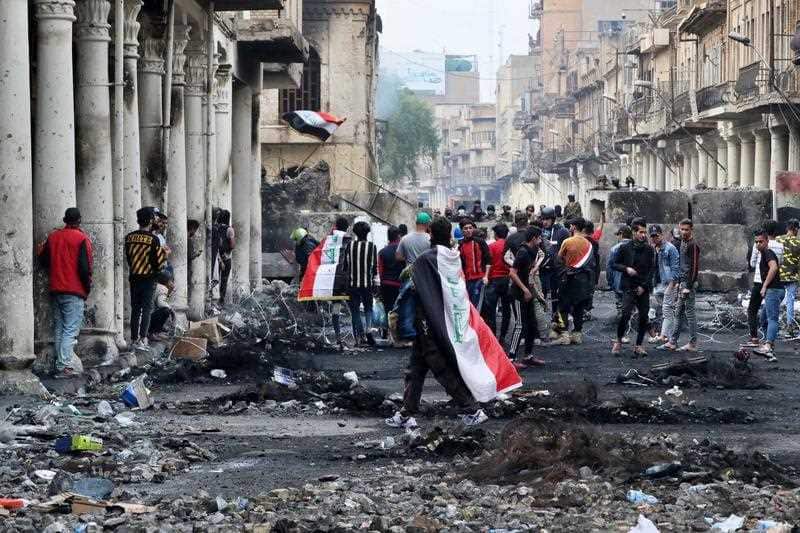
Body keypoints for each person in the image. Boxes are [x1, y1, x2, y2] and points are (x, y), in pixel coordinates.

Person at [385, 217, 483, 429]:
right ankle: (406, 412)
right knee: (415, 369)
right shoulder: (452, 256)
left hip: (427, 320)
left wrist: (398, 316)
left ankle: (471, 408)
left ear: (431, 233)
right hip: (439, 318)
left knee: (439, 367)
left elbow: (410, 285)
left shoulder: (425, 260)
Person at [37, 207, 93, 377]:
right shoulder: (82, 238)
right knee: (70, 330)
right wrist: (87, 287)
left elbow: (44, 260)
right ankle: (63, 366)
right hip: (74, 289)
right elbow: (85, 268)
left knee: (60, 328)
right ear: (79, 220)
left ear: (64, 220)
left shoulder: (53, 237)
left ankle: (60, 365)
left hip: (56, 288)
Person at [611, 220, 655, 357]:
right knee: (625, 314)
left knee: (643, 316)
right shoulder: (624, 248)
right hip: (629, 286)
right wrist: (626, 269)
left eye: (644, 232)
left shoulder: (649, 249)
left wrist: (644, 286)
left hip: (643, 287)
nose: (643, 235)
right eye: (640, 232)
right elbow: (614, 264)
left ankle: (639, 345)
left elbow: (651, 270)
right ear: (634, 232)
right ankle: (618, 341)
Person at [125, 207, 167, 349]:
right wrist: (164, 255)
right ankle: (143, 338)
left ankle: (133, 340)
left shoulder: (129, 237)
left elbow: (129, 259)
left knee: (135, 309)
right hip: (149, 279)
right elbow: (158, 263)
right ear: (149, 221)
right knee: (147, 309)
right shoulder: (153, 239)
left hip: (134, 277)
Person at [552, 218, 595, 345]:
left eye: (571, 225)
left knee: (563, 307)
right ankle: (577, 334)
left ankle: (564, 334)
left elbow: (559, 259)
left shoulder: (567, 241)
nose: (570, 227)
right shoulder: (589, 244)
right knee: (579, 308)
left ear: (574, 227)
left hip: (568, 279)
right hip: (583, 281)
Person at [660, 219, 701, 352]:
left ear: (691, 229)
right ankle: (673, 341)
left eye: (686, 229)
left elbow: (694, 267)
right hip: (682, 283)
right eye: (681, 229)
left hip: (688, 284)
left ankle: (692, 343)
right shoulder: (683, 242)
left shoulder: (693, 245)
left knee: (690, 313)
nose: (683, 232)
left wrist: (688, 286)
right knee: (678, 312)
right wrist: (679, 282)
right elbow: (682, 265)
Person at [508, 226, 546, 367]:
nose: (541, 240)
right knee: (519, 325)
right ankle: (511, 359)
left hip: (527, 293)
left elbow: (529, 272)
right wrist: (525, 290)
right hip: (518, 294)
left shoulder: (532, 251)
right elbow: (512, 273)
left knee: (532, 324)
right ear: (533, 238)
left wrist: (534, 292)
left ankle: (528, 356)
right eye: (539, 238)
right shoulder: (523, 252)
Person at [752, 229, 784, 360]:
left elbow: (774, 267)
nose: (758, 244)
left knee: (772, 318)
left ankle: (768, 346)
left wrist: (764, 286)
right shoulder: (764, 253)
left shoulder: (767, 252)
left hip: (774, 290)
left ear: (766, 241)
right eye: (756, 242)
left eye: (761, 241)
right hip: (774, 290)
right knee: (763, 318)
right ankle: (769, 347)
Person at [347, 221, 378, 346]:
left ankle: (360, 335)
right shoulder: (372, 246)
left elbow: (345, 266)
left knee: (354, 310)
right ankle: (368, 330)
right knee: (368, 307)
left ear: (355, 233)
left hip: (352, 284)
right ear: (367, 233)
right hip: (367, 283)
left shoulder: (350, 245)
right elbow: (374, 268)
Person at [649, 225, 680, 346]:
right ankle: (667, 337)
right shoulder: (653, 249)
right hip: (657, 284)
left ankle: (665, 337)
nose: (654, 238)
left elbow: (675, 268)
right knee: (662, 311)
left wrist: (672, 285)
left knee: (667, 311)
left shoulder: (670, 248)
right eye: (652, 236)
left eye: (656, 236)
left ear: (661, 235)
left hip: (668, 284)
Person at [539, 207, 570, 317]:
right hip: (542, 268)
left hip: (557, 269)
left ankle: (556, 317)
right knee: (541, 293)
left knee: (556, 294)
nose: (545, 222)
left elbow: (567, 250)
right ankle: (541, 318)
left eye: (547, 219)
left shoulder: (562, 231)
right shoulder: (540, 231)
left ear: (553, 219)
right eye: (543, 219)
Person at [484, 223, 512, 341]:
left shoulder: (491, 246)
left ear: (495, 234)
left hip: (494, 280)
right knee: (506, 309)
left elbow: (488, 264)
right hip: (507, 279)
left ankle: (493, 337)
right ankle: (503, 336)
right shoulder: (510, 246)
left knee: (491, 311)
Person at [458, 219, 491, 308]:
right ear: (461, 230)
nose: (468, 230)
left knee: (478, 305)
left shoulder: (480, 242)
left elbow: (488, 259)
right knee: (470, 304)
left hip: (480, 278)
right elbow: (460, 264)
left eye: (470, 228)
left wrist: (486, 276)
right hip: (467, 280)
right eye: (465, 228)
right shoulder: (460, 244)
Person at [378, 226, 405, 334]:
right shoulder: (402, 251)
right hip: (399, 284)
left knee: (387, 309)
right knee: (399, 308)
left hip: (386, 284)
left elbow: (380, 270)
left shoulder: (382, 251)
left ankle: (387, 331)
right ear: (398, 236)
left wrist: (381, 284)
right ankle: (398, 331)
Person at [777, 219, 800, 336]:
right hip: (793, 276)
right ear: (795, 229)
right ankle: (789, 325)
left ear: (787, 228)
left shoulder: (778, 239)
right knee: (790, 301)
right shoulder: (798, 242)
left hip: (778, 275)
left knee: (776, 299)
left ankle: (773, 324)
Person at [215, 210, 235, 304]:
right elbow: (232, 245)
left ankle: (214, 299)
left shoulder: (216, 227)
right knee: (224, 279)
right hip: (226, 258)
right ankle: (221, 301)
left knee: (215, 279)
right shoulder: (229, 229)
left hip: (216, 257)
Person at [148, 271, 175, 341]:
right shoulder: (162, 288)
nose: (172, 283)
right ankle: (153, 333)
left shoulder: (159, 286)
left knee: (167, 310)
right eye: (170, 281)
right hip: (149, 318)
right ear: (166, 281)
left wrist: (169, 292)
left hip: (148, 316)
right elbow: (162, 304)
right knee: (166, 311)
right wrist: (171, 310)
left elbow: (165, 300)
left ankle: (157, 331)